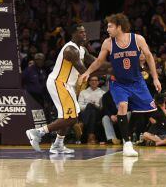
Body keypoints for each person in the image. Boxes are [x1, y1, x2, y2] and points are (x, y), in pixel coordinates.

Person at [79, 13, 166, 157]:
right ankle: (127, 144)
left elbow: (149, 57)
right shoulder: (108, 43)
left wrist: (155, 78)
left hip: (137, 83)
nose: (108, 29)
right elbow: (98, 61)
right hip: (118, 83)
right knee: (122, 106)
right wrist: (88, 72)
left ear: (119, 26)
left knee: (154, 112)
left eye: (110, 26)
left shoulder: (137, 39)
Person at [26, 24, 107, 154]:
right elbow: (85, 72)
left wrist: (114, 66)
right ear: (73, 34)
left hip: (67, 84)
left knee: (69, 115)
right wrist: (109, 73)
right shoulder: (70, 50)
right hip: (59, 83)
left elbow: (97, 62)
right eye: (81, 32)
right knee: (71, 117)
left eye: (84, 32)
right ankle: (37, 132)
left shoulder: (82, 49)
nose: (84, 34)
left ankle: (58, 144)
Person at [78, 75, 105, 144]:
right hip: (85, 113)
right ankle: (91, 136)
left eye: (95, 80)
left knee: (92, 108)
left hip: (98, 112)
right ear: (89, 82)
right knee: (90, 108)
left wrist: (95, 105)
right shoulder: (83, 92)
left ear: (98, 82)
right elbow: (79, 106)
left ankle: (82, 124)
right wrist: (88, 105)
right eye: (92, 80)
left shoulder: (102, 93)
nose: (94, 82)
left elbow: (103, 107)